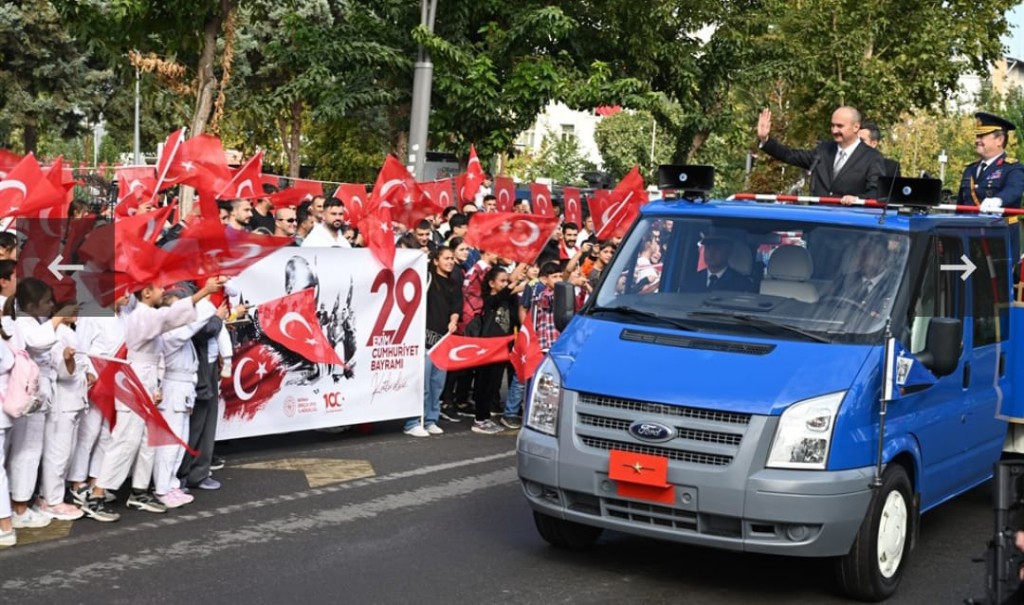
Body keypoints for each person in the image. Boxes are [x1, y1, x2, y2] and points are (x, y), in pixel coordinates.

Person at [83, 277, 225, 522]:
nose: (163, 291)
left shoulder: (145, 316)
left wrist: (157, 384)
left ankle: (139, 491)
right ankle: (97, 495)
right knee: (125, 440)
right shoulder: (142, 316)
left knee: (150, 441)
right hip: (134, 380)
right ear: (147, 293)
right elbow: (169, 320)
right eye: (159, 288)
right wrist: (203, 293)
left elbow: (163, 338)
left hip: (147, 382)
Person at [757, 106, 885, 203]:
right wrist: (765, 140)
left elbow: (876, 192)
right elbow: (790, 155)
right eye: (832, 125)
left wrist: (856, 199)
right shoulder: (823, 151)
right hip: (818, 226)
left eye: (840, 126)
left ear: (856, 127)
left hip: (849, 229)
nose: (834, 130)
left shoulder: (872, 157)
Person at [404, 247, 460, 437]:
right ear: (435, 261)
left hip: (442, 340)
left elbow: (456, 307)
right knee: (422, 384)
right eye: (446, 258)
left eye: (452, 258)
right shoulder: (427, 278)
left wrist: (453, 320)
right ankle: (413, 422)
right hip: (423, 339)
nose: (450, 262)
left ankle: (430, 420)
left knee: (437, 384)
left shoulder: (454, 283)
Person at [472, 263, 527, 434]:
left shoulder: (509, 299)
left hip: (503, 347)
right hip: (488, 347)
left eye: (506, 281)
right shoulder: (488, 299)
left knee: (494, 384)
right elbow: (500, 295)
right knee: (484, 383)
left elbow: (512, 297)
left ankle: (486, 417)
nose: (505, 284)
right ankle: (479, 419)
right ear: (491, 283)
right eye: (501, 281)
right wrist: (512, 283)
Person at [958, 112, 1024, 212]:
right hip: (970, 226)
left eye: (982, 136)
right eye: (977, 136)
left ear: (999, 140)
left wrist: (998, 200)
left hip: (1001, 227)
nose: (977, 140)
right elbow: (960, 206)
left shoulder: (1013, 168)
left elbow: (1013, 190)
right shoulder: (970, 169)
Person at [685, 234, 755, 292]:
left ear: (729, 250)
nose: (710, 253)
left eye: (717, 249)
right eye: (708, 248)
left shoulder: (742, 284)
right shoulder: (690, 280)